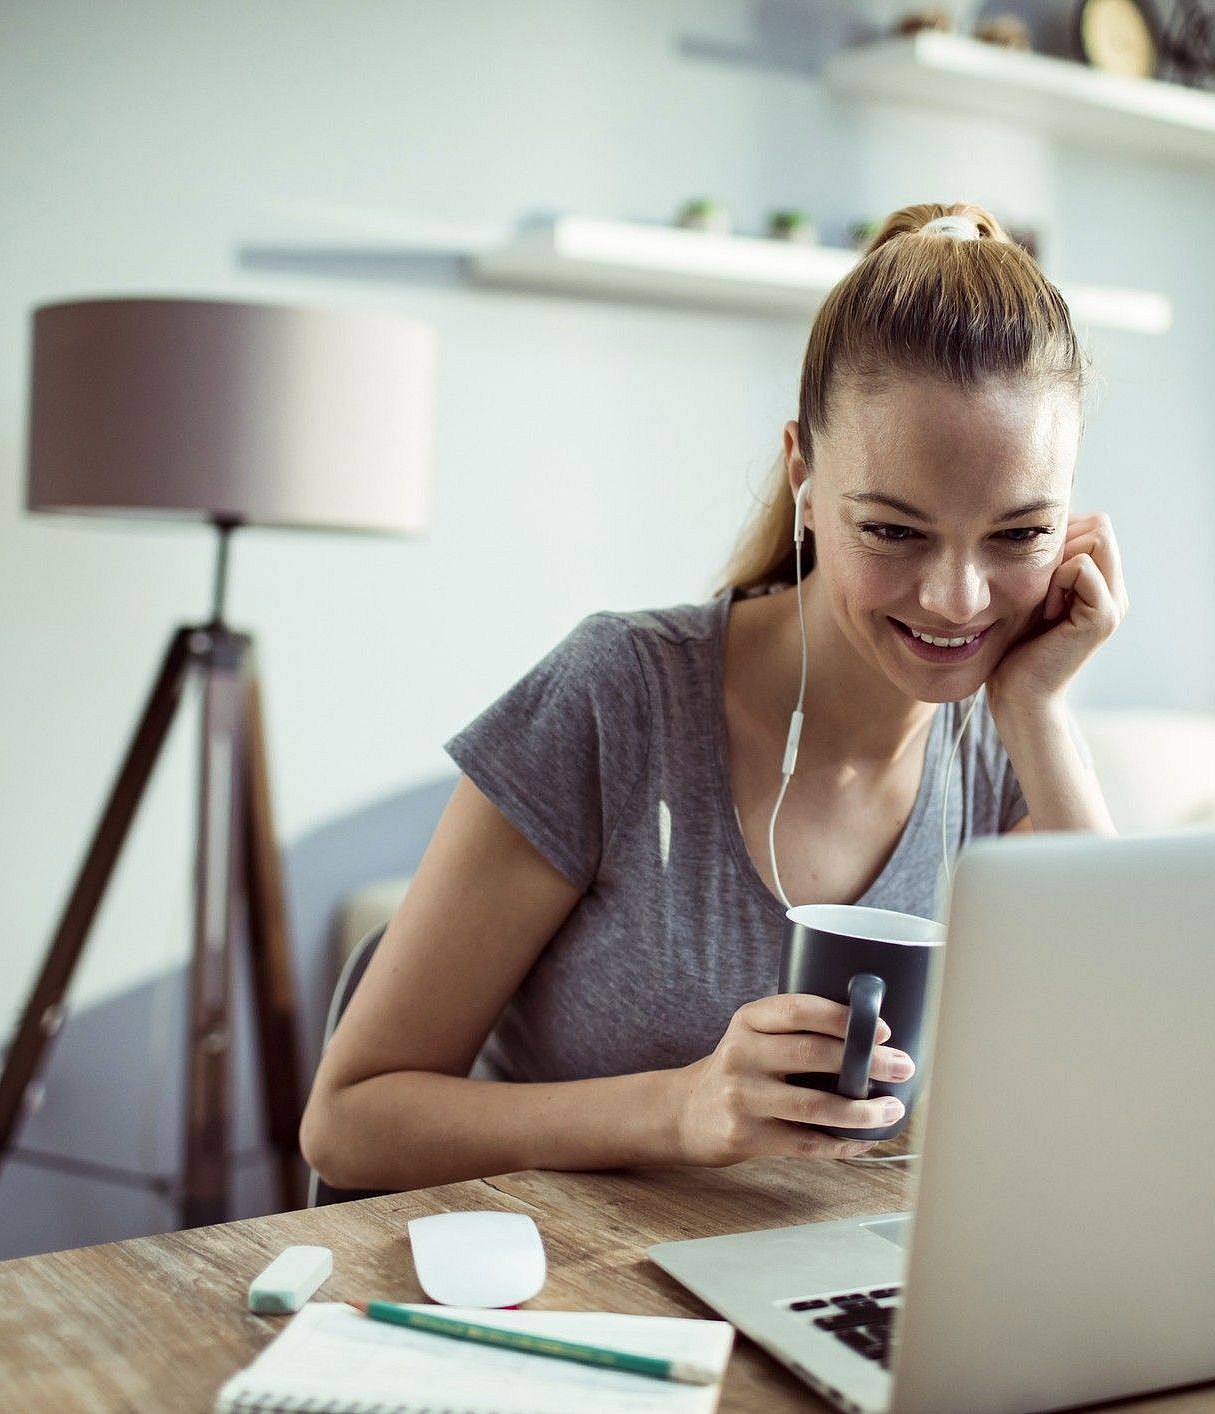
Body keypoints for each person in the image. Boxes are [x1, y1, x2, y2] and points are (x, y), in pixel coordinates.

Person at [300, 200, 1127, 1192]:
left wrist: (1038, 711)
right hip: (564, 1304)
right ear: (805, 477)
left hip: (829, 1291)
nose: (959, 600)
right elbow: (348, 1122)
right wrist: (683, 1106)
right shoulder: (619, 697)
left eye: (1018, 535)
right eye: (893, 532)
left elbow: (1121, 1081)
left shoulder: (1002, 744)